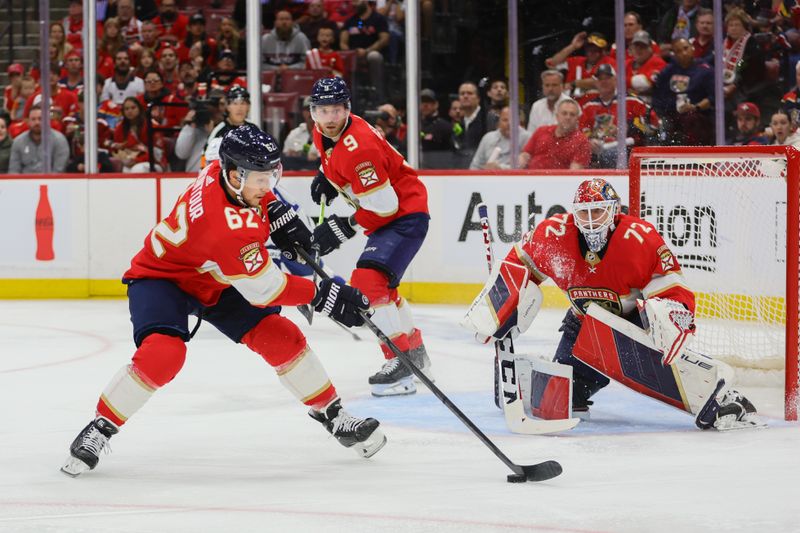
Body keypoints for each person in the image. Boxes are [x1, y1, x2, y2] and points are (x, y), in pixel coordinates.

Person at [60, 124, 386, 477]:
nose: (267, 186)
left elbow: (254, 223)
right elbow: (267, 289)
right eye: (259, 180)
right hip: (163, 278)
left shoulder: (220, 170)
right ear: (235, 176)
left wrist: (278, 212)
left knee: (281, 337)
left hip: (215, 276)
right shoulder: (227, 227)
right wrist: (326, 294)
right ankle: (100, 427)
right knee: (163, 354)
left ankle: (334, 416)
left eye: (270, 176)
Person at [462, 178, 762, 430]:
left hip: (632, 325)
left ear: (614, 211)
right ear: (574, 213)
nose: (591, 221)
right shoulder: (554, 235)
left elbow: (671, 286)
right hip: (582, 324)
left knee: (663, 355)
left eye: (599, 211)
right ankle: (577, 383)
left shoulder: (637, 238)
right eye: (584, 212)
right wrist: (497, 308)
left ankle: (718, 396)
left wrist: (671, 315)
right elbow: (519, 266)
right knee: (563, 399)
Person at [307, 77, 432, 397]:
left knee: (368, 284)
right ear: (313, 113)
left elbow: (386, 206)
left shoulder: (358, 146)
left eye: (337, 110)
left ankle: (400, 362)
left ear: (348, 109)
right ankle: (414, 354)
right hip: (395, 216)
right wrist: (325, 176)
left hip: (403, 217)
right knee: (384, 288)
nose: (331, 118)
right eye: (324, 111)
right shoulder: (325, 133)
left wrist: (341, 227)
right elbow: (337, 159)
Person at [579, 64, 656, 168]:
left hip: (628, 150)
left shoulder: (632, 101)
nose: (604, 81)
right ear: (595, 82)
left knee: (611, 154)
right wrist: (589, 141)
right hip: (597, 153)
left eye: (607, 78)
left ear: (615, 80)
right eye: (600, 79)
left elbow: (654, 124)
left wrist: (628, 128)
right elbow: (580, 131)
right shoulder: (588, 106)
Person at [652, 38, 714, 146]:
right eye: (679, 51)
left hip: (697, 117)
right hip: (671, 116)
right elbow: (658, 96)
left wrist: (695, 107)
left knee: (690, 119)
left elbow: (713, 97)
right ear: (674, 54)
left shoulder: (705, 70)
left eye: (686, 48)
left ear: (692, 48)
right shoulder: (668, 71)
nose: (684, 53)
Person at [340, 0, 390, 103]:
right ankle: (346, 96)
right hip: (354, 54)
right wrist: (351, 52)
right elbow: (343, 42)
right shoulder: (350, 20)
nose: (354, 4)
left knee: (374, 56)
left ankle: (377, 94)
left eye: (356, 1)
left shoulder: (378, 19)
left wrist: (367, 51)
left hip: (371, 52)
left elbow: (384, 39)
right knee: (341, 57)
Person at [518, 98, 590, 170]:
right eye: (564, 113)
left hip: (561, 180)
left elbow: (575, 173)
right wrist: (520, 164)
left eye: (572, 114)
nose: (568, 117)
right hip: (531, 178)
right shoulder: (541, 131)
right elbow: (525, 155)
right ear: (557, 116)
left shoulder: (581, 141)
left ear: (577, 119)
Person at [545, 31, 615, 99]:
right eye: (590, 48)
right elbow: (553, 63)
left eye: (596, 49)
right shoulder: (576, 61)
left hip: (597, 107)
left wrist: (573, 84)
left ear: (602, 50)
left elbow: (600, 82)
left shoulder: (609, 62)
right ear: (585, 49)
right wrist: (573, 46)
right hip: (570, 107)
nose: (592, 52)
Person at [8, 105, 70, 173]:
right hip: (24, 182)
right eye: (33, 119)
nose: (37, 122)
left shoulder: (60, 141)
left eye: (40, 119)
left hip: (51, 182)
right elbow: (13, 171)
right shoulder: (18, 142)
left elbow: (59, 171)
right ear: (28, 121)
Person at [203, 85, 255, 166]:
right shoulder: (219, 131)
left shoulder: (254, 129)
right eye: (235, 103)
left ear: (248, 106)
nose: (239, 108)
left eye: (243, 103)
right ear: (228, 107)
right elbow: (206, 158)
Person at [470, 106, 530, 170]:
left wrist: (500, 168)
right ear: (499, 122)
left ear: (518, 122)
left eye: (513, 120)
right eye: (505, 120)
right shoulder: (487, 138)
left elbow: (530, 168)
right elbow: (475, 166)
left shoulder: (527, 138)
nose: (509, 123)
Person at [625, 31, 666, 102]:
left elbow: (645, 82)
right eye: (636, 46)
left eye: (643, 46)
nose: (638, 49)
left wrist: (625, 83)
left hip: (652, 107)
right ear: (631, 48)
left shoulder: (658, 62)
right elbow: (614, 83)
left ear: (650, 48)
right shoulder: (627, 63)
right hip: (629, 106)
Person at [282, 96, 320, 170]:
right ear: (303, 112)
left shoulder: (330, 133)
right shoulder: (294, 134)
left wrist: (298, 156)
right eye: (307, 109)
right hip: (298, 177)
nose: (311, 112)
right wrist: (306, 157)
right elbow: (285, 160)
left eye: (314, 109)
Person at [418, 88, 453, 168]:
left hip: (439, 170)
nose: (425, 105)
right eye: (422, 101)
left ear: (436, 104)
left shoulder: (445, 126)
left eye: (429, 101)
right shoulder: (414, 126)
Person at [526, 70, 567, 134]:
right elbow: (531, 134)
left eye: (554, 85)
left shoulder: (571, 105)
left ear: (561, 86)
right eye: (547, 85)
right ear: (542, 87)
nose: (550, 89)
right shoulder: (536, 106)